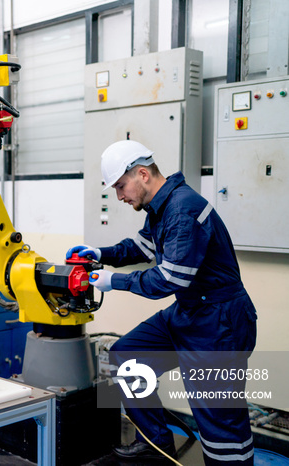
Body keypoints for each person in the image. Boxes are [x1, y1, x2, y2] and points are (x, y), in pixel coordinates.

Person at [68, 140, 257, 464]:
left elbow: (169, 279)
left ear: (142, 174)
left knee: (220, 423)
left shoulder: (183, 209)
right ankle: (156, 446)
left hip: (218, 321)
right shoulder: (160, 208)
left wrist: (115, 282)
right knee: (126, 357)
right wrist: (101, 254)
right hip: (190, 312)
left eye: (121, 186)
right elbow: (140, 249)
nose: (119, 196)